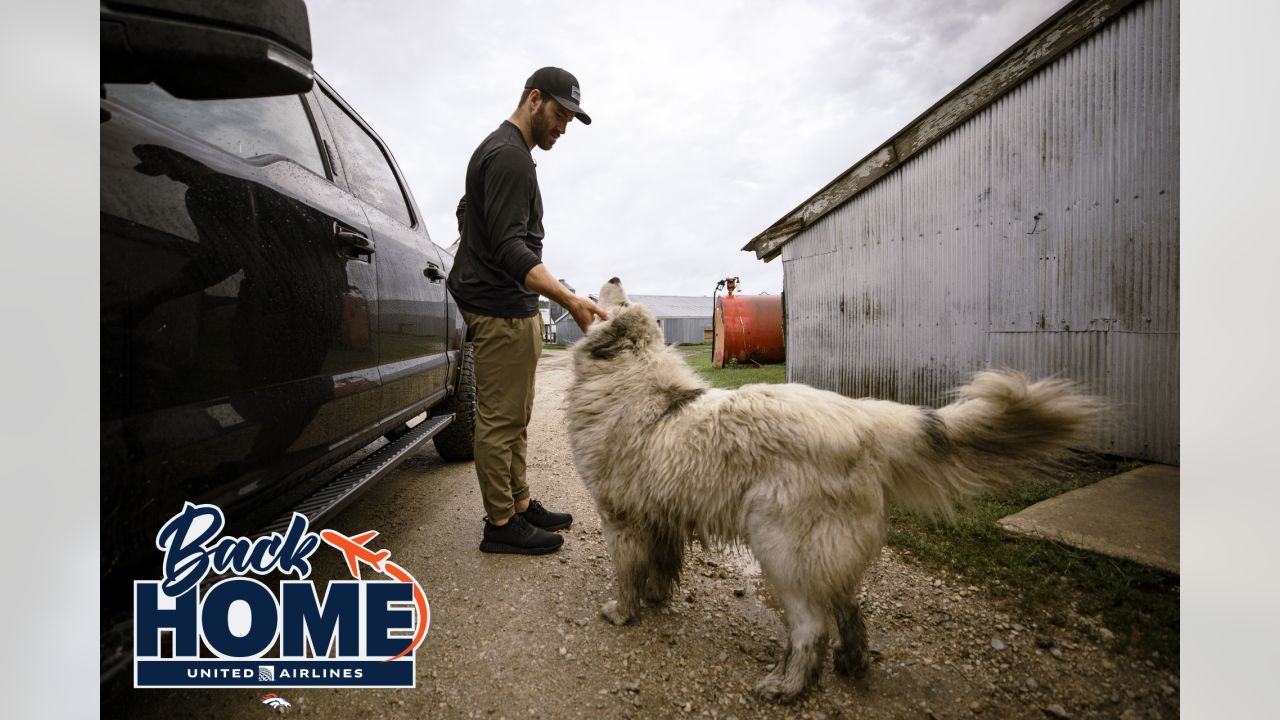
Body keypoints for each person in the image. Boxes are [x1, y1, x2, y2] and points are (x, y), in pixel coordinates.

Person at [447, 67, 609, 555]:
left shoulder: (499, 152)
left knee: (514, 415)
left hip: (505, 304)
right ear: (534, 100)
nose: (563, 128)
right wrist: (568, 298)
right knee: (499, 421)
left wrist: (479, 253)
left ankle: (518, 505)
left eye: (571, 120)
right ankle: (501, 525)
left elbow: (465, 210)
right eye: (560, 115)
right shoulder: (512, 159)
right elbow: (512, 249)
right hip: (499, 309)